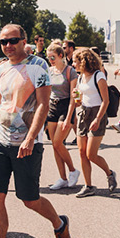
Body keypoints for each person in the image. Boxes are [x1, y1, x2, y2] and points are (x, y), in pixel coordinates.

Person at [0, 23, 69, 238]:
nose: (7, 45)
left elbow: (42, 104)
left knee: (29, 199)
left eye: (13, 40)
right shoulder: (1, 68)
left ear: (23, 40)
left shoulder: (38, 65)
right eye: (3, 41)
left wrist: (30, 137)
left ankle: (59, 224)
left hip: (27, 143)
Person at [72, 48, 118, 197]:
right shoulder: (80, 77)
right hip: (84, 113)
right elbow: (79, 102)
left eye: (76, 61)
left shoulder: (99, 76)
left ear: (84, 61)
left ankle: (110, 173)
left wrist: (98, 119)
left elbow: (106, 100)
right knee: (81, 152)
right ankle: (88, 186)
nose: (74, 65)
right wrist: (76, 98)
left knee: (91, 154)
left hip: (97, 113)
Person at [45, 42, 81, 190]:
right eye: (49, 58)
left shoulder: (70, 71)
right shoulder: (50, 71)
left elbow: (73, 96)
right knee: (55, 146)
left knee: (58, 142)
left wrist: (69, 118)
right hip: (52, 106)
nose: (51, 60)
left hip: (66, 106)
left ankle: (73, 170)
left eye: (53, 57)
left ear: (61, 55)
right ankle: (62, 178)